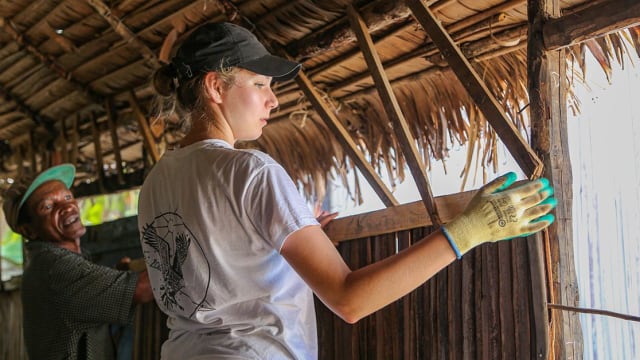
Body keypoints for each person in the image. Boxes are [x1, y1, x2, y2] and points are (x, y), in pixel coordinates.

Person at [138, 22, 557, 360]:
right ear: (215, 87)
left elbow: (213, 264)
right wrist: (471, 229)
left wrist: (294, 234)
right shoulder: (250, 171)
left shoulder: (156, 183)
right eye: (261, 84)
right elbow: (349, 299)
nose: (274, 101)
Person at [2, 163, 155, 360]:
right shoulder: (55, 268)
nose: (67, 207)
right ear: (29, 230)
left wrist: (117, 276)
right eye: (48, 206)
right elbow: (143, 289)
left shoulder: (47, 264)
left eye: (67, 197)